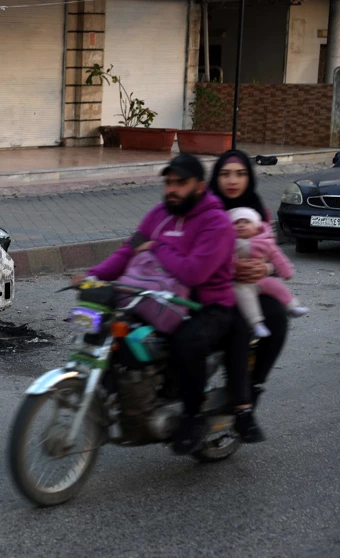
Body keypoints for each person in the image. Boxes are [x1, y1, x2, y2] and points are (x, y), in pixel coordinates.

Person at [73, 153, 236, 455]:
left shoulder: (217, 223)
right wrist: (93, 275)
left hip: (208, 304)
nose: (172, 189)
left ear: (200, 187)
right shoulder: (158, 215)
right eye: (169, 182)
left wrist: (159, 247)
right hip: (158, 300)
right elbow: (128, 252)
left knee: (187, 341)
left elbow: (194, 272)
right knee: (115, 331)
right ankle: (129, 399)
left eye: (181, 183)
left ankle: (192, 417)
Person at [210, 150, 290, 442]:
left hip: (253, 285)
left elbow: (273, 253)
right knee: (239, 328)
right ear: (216, 177)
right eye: (225, 173)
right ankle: (240, 405)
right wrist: (233, 268)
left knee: (278, 320)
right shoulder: (207, 208)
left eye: (240, 174)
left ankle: (254, 388)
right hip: (216, 288)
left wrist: (264, 267)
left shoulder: (258, 209)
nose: (233, 181)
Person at [229, 206, 308, 338]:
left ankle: (292, 306)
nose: (241, 226)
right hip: (240, 282)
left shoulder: (264, 242)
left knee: (276, 285)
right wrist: (233, 268)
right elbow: (224, 259)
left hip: (261, 279)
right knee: (245, 298)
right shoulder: (230, 243)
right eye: (236, 223)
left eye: (246, 222)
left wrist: (284, 271)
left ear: (256, 227)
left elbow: (277, 256)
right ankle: (256, 324)